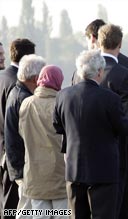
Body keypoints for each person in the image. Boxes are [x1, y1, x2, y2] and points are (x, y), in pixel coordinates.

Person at [53, 49, 128, 219]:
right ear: (100, 72)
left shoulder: (63, 95)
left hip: (74, 168)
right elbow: (124, 129)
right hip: (104, 169)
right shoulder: (110, 98)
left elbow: (57, 126)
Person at [97, 23, 128, 218]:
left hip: (88, 151)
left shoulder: (80, 73)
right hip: (118, 149)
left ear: (98, 42)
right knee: (120, 203)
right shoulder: (124, 73)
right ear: (120, 43)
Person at [18, 65, 67, 219]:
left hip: (35, 172)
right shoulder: (61, 103)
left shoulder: (27, 103)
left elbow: (21, 132)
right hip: (60, 173)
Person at [5, 54, 45, 219]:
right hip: (26, 168)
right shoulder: (25, 100)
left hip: (19, 166)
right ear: (36, 78)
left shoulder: (16, 92)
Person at [0, 38, 35, 218]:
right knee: (14, 204)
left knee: (6, 200)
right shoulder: (18, 84)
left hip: (3, 148)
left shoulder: (3, 77)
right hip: (14, 152)